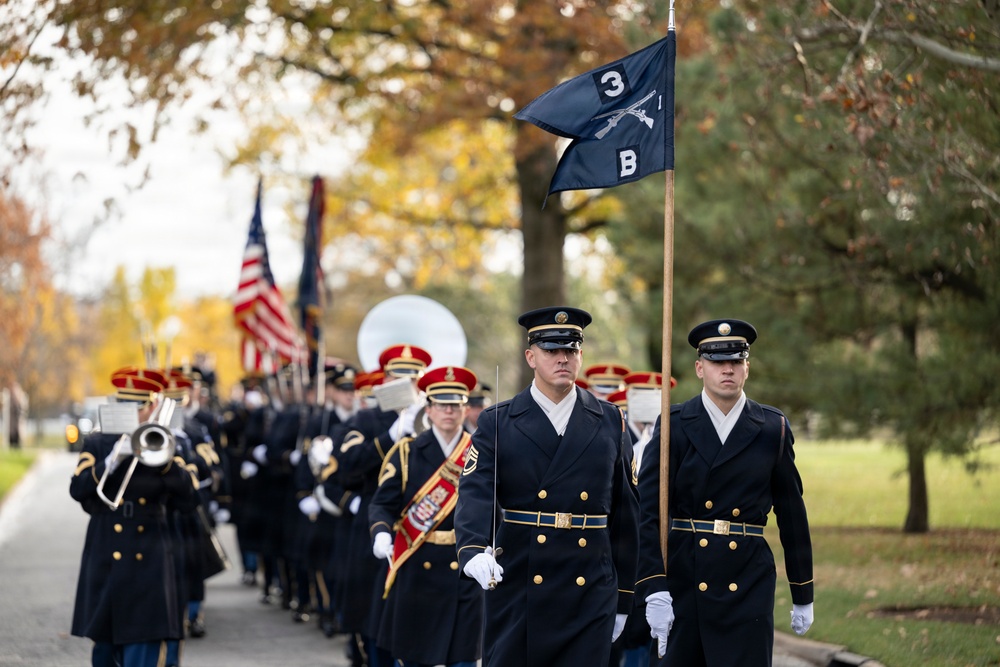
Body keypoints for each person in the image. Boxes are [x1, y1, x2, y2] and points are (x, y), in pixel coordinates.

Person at [454, 306, 640, 667]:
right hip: (520, 582)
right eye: (551, 350)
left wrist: (624, 596)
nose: (562, 358)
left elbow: (626, 514)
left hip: (590, 586)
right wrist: (473, 549)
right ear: (531, 357)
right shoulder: (499, 421)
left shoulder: (610, 420)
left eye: (570, 349)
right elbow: (476, 490)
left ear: (580, 355)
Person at [636, 319, 814, 666]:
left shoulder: (771, 428)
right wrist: (654, 585)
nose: (727, 369)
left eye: (736, 360)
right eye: (717, 361)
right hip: (685, 580)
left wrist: (802, 590)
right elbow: (648, 514)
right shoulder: (674, 424)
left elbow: (792, 515)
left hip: (747, 582)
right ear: (700, 368)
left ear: (747, 367)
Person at [70, 367, 200, 667]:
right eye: (125, 407)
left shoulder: (166, 443)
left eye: (138, 407)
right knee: (105, 649)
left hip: (150, 552)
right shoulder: (98, 444)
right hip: (107, 549)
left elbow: (190, 499)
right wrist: (112, 460)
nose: (133, 414)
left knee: (144, 645)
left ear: (152, 408)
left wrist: (165, 462)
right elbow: (78, 490)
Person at [369, 365, 485, 667]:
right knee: (414, 657)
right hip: (417, 565)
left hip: (465, 566)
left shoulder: (482, 452)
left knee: (464, 658)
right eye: (441, 405)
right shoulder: (406, 452)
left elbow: (495, 506)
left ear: (465, 409)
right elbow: (382, 504)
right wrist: (381, 533)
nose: (449, 411)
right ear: (429, 410)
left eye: (456, 405)